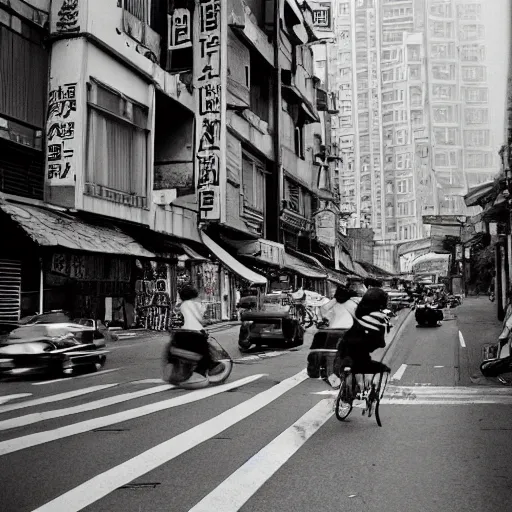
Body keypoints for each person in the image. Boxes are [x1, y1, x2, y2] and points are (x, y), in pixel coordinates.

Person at [336, 287, 392, 397]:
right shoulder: (380, 318)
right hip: (360, 358)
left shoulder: (356, 312)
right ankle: (373, 392)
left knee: (350, 367)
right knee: (384, 369)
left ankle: (348, 387)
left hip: (342, 353)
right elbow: (380, 343)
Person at [169, 286, 222, 386]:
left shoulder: (182, 305)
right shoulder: (191, 303)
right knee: (205, 354)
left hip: (185, 331)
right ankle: (202, 371)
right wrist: (208, 321)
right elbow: (199, 318)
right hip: (196, 331)